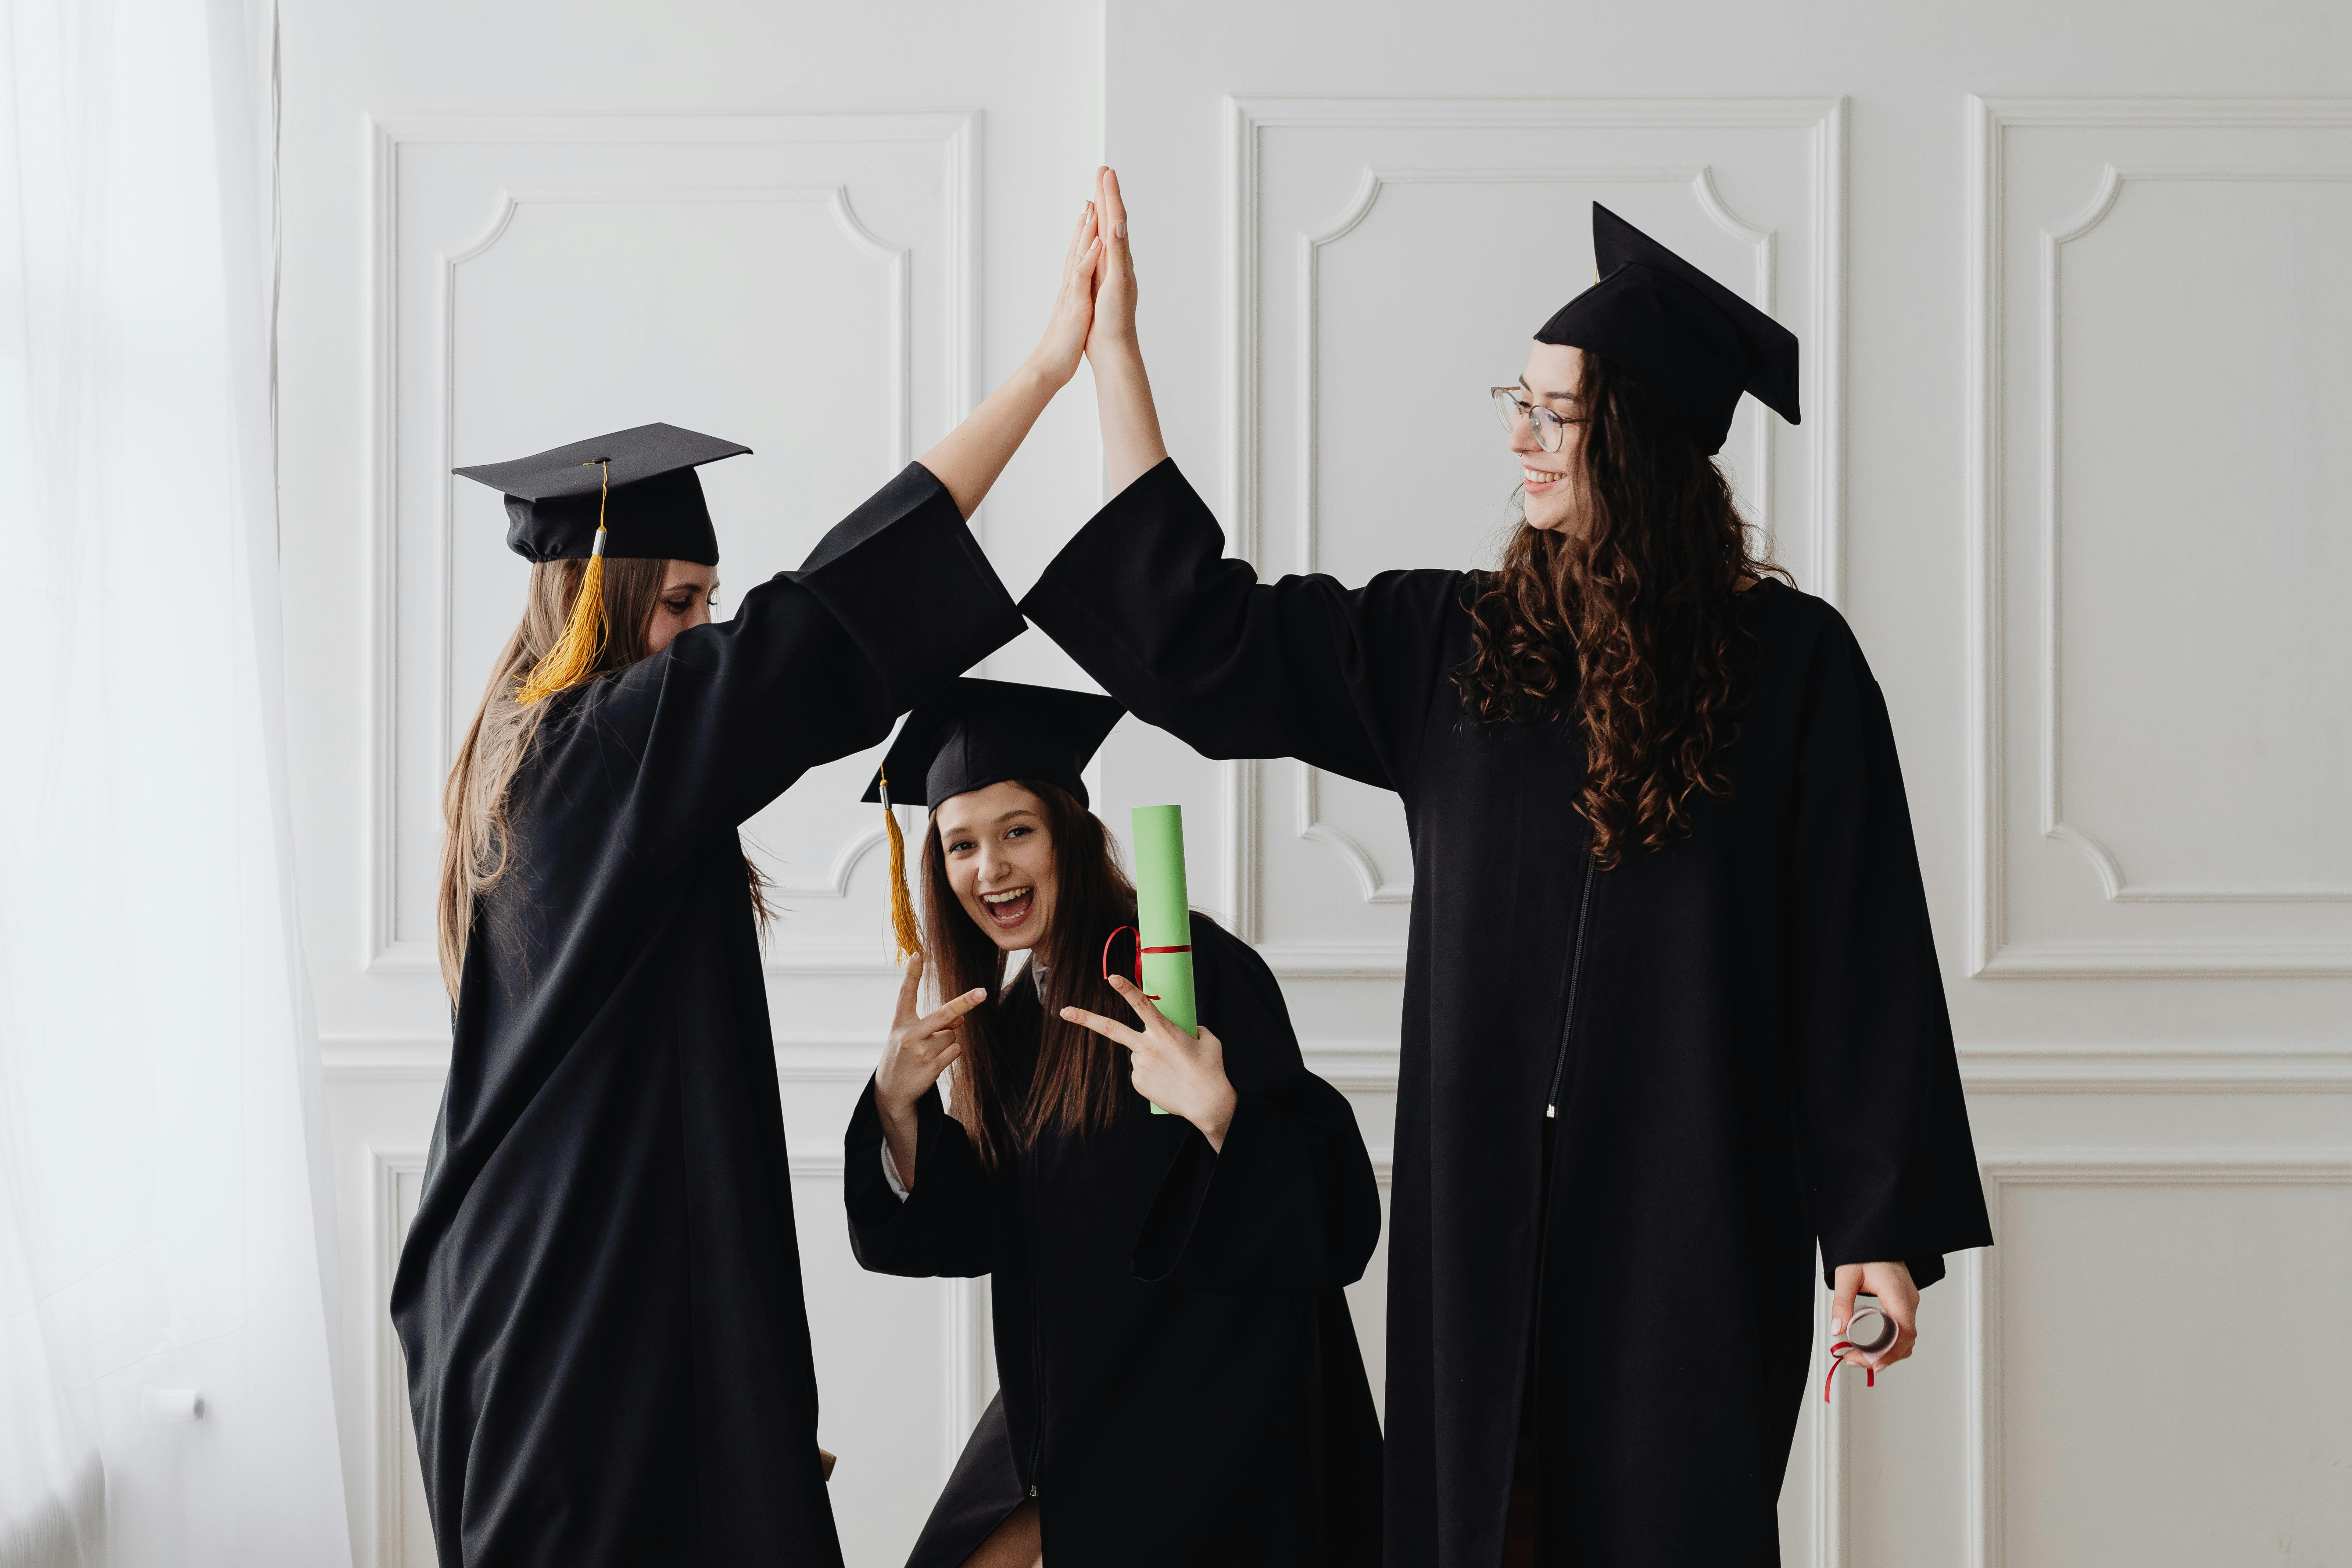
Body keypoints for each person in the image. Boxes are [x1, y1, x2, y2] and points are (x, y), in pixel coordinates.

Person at [1018, 169, 1994, 1567]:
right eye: (1517, 404)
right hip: (1477, 1219)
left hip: (1689, 1221)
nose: (1522, 438)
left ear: (1640, 441)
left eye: (1557, 414)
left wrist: (1876, 1234)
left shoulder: (1794, 670)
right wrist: (1116, 356)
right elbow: (1207, 639)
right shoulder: (1459, 649)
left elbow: (1862, 956)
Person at [390, 210, 1110, 1567]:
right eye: (680, 605)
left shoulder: (521, 755)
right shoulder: (604, 747)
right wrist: (1040, 375)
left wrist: (732, 1399)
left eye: (708, 606)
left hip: (545, 1304)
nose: (702, 636)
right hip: (578, 1342)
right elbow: (829, 617)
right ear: (601, 604)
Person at [843, 678, 1383, 1568]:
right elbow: (968, 1233)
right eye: (961, 845)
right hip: (1068, 1406)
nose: (990, 869)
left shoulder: (1189, 968)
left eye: (1017, 832)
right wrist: (899, 1106)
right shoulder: (1008, 1023)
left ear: (1070, 834)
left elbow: (1335, 1223)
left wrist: (1222, 1114)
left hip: (1212, 1421)